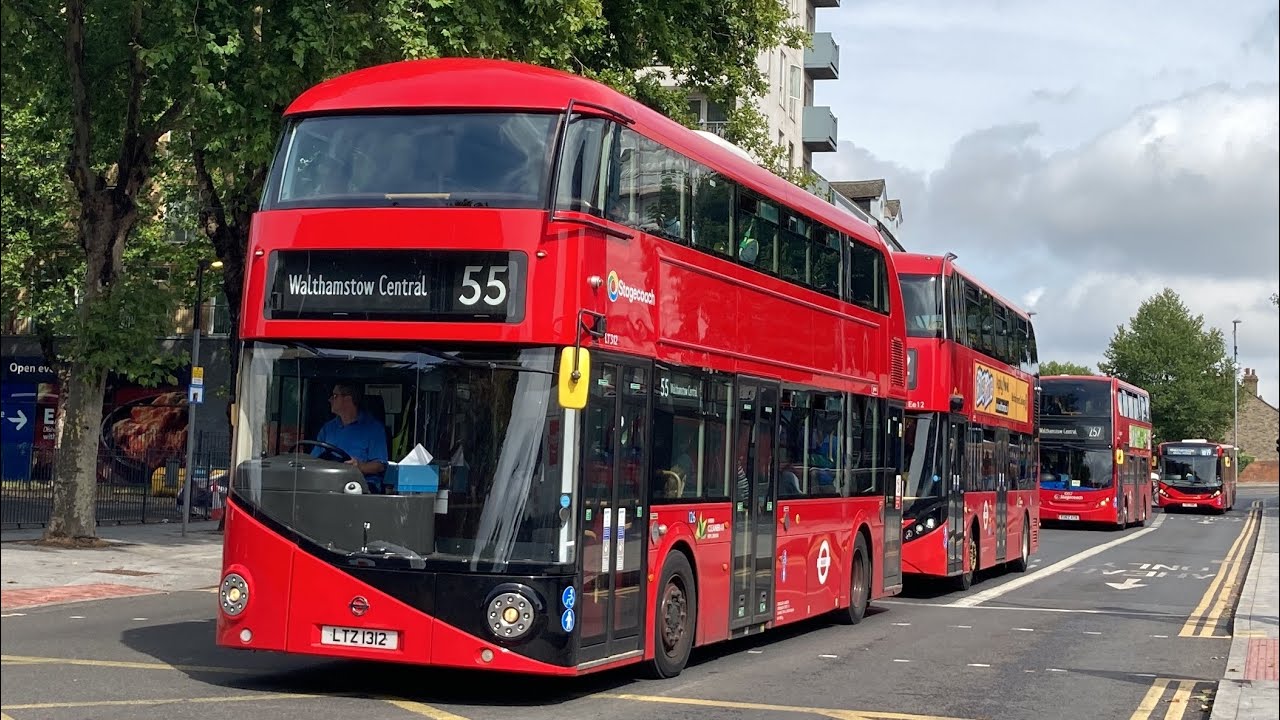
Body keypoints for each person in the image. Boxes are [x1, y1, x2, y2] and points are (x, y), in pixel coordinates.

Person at [314, 382, 389, 492]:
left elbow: (380, 466)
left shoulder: (374, 429)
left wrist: (359, 467)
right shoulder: (327, 428)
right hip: (328, 484)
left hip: (360, 487)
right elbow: (314, 460)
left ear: (348, 400)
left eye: (335, 396)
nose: (330, 400)